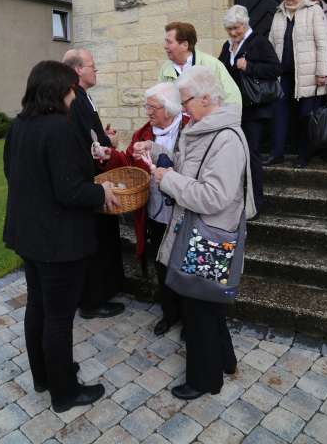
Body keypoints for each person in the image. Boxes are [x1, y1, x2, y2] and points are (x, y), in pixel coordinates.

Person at [3, 61, 119, 413]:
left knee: (38, 306)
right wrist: (101, 192)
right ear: (57, 90)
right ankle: (64, 392)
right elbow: (70, 190)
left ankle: (45, 375)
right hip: (57, 241)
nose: (74, 95)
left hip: (29, 234)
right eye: (70, 89)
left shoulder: (20, 125)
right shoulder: (60, 128)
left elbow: (14, 172)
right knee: (58, 317)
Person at [135, 66, 255, 400]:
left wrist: (166, 179)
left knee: (199, 310)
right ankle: (226, 361)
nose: (182, 106)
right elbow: (189, 168)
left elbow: (214, 196)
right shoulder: (201, 128)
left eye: (186, 99)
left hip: (209, 237)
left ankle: (204, 381)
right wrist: (159, 154)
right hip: (194, 232)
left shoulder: (226, 139)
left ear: (206, 98)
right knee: (208, 306)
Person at [95, 82, 189, 337]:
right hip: (157, 213)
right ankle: (170, 314)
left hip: (185, 213)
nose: (148, 112)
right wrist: (109, 155)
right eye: (146, 106)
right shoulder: (143, 133)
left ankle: (190, 320)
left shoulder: (190, 126)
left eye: (153, 107)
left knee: (185, 267)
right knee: (162, 265)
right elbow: (127, 161)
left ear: (169, 109)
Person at [62, 48, 125, 319]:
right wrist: (105, 143)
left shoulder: (83, 96)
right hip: (89, 181)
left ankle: (103, 290)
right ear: (78, 69)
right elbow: (81, 140)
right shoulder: (74, 99)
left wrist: (102, 136)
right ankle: (92, 300)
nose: (95, 69)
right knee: (94, 240)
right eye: (92, 65)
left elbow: (90, 133)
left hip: (94, 176)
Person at [265, 0, 327, 168]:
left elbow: (323, 44)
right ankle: (276, 153)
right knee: (279, 114)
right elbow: (271, 44)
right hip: (283, 75)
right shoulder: (279, 14)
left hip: (309, 75)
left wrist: (322, 72)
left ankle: (304, 155)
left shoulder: (314, 11)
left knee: (306, 116)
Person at [219, 5, 281, 213]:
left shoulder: (259, 42)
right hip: (234, 109)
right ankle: (236, 202)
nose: (233, 33)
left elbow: (275, 69)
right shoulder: (227, 46)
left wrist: (250, 66)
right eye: (229, 29)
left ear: (245, 24)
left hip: (255, 110)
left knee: (251, 155)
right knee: (235, 156)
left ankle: (255, 204)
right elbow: (221, 73)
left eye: (236, 28)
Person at [158, 21, 242, 106]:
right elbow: (161, 101)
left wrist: (218, 118)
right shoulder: (165, 69)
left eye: (169, 42)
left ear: (185, 45)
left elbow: (233, 99)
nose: (165, 46)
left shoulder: (212, 64)